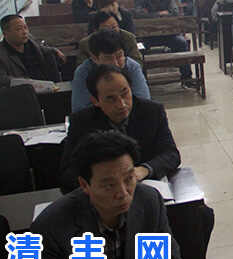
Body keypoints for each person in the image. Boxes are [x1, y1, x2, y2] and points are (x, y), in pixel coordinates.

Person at [29, 130, 184, 259]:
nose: (123, 193)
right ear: (84, 185)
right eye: (109, 185)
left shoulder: (148, 201)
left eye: (129, 179)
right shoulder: (50, 227)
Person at [60, 64, 181, 192]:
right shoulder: (82, 122)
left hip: (147, 188)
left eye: (125, 93)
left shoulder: (152, 111)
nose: (121, 104)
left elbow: (171, 154)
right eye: (111, 99)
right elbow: (67, 173)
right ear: (95, 101)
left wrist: (144, 169)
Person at [135, 0, 195, 86]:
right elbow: (138, 14)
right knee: (138, 48)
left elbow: (175, 12)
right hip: (147, 36)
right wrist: (160, 14)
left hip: (168, 34)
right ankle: (143, 82)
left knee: (182, 43)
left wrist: (149, 14)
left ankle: (187, 78)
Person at [72, 29, 150, 113]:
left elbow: (143, 101)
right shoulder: (83, 72)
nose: (115, 63)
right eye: (108, 58)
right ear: (94, 58)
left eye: (119, 56)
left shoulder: (132, 67)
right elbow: (80, 109)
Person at [0, 14, 62, 87]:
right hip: (23, 91)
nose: (25, 32)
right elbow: (4, 80)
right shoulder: (2, 55)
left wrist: (54, 50)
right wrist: (32, 84)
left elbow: (42, 48)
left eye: (25, 27)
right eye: (19, 29)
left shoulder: (30, 42)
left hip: (49, 87)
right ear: (5, 33)